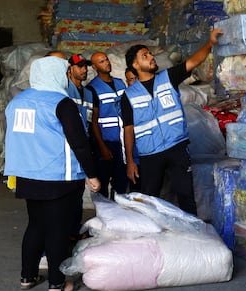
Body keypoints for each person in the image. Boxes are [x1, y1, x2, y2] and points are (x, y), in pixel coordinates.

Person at [4, 55, 100, 291]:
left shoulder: (17, 102)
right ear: (57, 75)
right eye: (65, 73)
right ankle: (57, 283)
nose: (67, 78)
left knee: (35, 225)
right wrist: (92, 175)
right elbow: (79, 144)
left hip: (27, 176)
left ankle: (28, 276)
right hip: (58, 177)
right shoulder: (62, 103)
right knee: (57, 230)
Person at [121, 27, 223, 216]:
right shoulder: (128, 96)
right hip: (150, 154)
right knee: (149, 199)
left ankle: (194, 234)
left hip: (177, 148)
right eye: (145, 55)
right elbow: (128, 129)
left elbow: (193, 61)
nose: (151, 57)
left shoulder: (168, 77)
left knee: (186, 195)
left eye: (150, 54)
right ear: (135, 65)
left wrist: (210, 43)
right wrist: (130, 162)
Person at [87, 51, 128, 199]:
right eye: (101, 61)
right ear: (94, 67)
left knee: (121, 181)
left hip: (123, 140)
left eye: (106, 59)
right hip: (106, 142)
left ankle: (118, 215)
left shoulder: (120, 83)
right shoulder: (92, 88)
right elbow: (93, 121)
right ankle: (104, 214)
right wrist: (102, 147)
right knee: (103, 182)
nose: (107, 63)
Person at [67, 53, 93, 242]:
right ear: (70, 68)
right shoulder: (64, 90)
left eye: (85, 66)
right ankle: (65, 234)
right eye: (80, 66)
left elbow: (91, 121)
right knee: (66, 194)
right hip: (68, 148)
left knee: (77, 195)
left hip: (84, 147)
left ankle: (73, 232)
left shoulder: (89, 93)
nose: (84, 70)